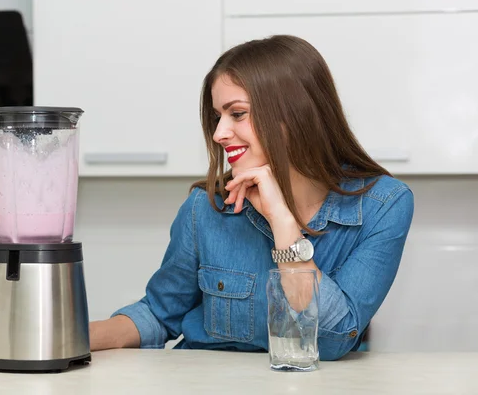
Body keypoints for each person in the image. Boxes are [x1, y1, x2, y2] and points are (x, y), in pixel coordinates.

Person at [89, 35, 414, 361]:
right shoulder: (204, 208)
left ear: (295, 114)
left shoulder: (384, 206)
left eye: (238, 114)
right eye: (218, 116)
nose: (219, 134)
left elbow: (332, 340)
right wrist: (70, 337)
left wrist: (283, 223)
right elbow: (160, 314)